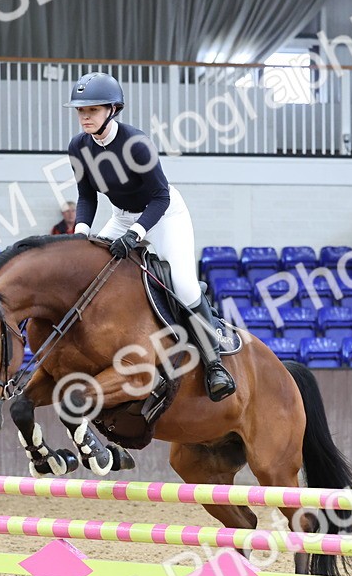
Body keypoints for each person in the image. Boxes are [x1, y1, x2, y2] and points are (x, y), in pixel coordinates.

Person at [64, 71, 235, 401]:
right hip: (121, 216)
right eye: (81, 111)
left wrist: (137, 233)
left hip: (163, 215)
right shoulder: (78, 146)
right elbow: (87, 196)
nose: (85, 117)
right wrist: (81, 234)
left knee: (183, 286)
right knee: (86, 274)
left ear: (113, 110)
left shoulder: (135, 144)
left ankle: (214, 364)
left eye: (92, 110)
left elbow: (161, 197)